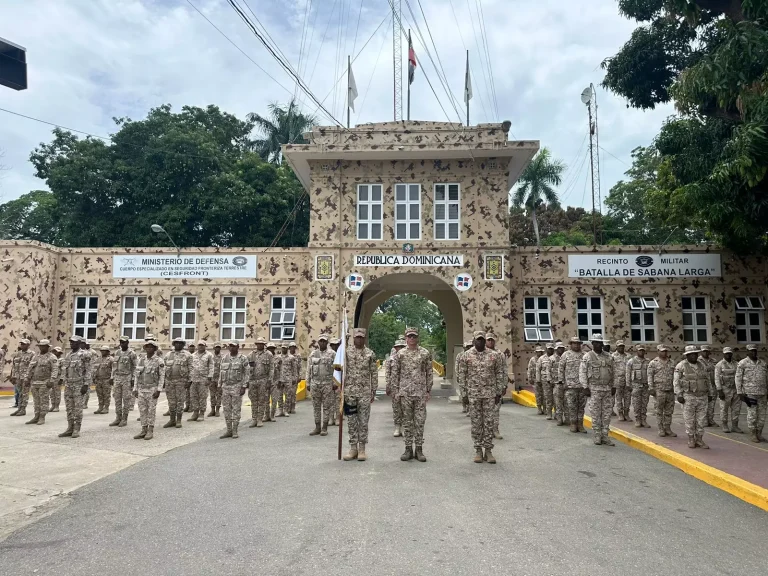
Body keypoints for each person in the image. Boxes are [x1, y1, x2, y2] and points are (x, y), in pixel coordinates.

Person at [457, 331, 505, 464]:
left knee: (489, 423)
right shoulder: (466, 356)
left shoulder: (494, 356)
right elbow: (462, 376)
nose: (480, 342)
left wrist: (498, 392)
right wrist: (464, 394)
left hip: (490, 394)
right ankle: (478, 449)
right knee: (476, 423)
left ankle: (488, 450)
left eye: (482, 340)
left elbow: (499, 373)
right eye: (478, 340)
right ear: (473, 341)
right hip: (473, 395)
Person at [392, 327, 433, 462]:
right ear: (406, 338)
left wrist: (428, 390)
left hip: (420, 393)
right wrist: (396, 391)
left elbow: (429, 372)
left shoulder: (425, 353)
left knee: (420, 421)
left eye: (414, 336)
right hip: (405, 393)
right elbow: (395, 373)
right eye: (409, 336)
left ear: (418, 338)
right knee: (408, 422)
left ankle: (419, 449)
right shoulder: (400, 354)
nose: (412, 339)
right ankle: (408, 448)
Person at [341, 328, 377, 462]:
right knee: (351, 421)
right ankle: (352, 448)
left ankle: (362, 449)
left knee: (363, 421)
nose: (359, 339)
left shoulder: (370, 354)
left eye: (362, 337)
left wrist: (373, 390)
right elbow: (340, 368)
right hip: (350, 392)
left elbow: (373, 373)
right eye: (357, 337)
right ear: (353, 338)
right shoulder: (346, 352)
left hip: (364, 393)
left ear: (364, 338)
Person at [580, 334, 615, 446]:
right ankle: (597, 435)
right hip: (594, 389)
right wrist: (585, 387)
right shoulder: (587, 357)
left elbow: (615, 372)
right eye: (596, 342)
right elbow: (582, 372)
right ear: (592, 344)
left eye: (600, 343)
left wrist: (614, 386)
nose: (598, 344)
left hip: (607, 389)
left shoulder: (609, 356)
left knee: (607, 414)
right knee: (595, 414)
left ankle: (605, 436)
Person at [673, 345, 712, 449]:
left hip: (702, 396)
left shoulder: (702, 365)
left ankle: (699, 439)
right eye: (691, 354)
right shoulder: (681, 366)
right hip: (688, 396)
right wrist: (679, 395)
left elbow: (707, 380)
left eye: (695, 354)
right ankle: (691, 439)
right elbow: (676, 382)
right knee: (689, 420)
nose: (694, 356)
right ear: (687, 355)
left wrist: (711, 393)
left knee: (701, 420)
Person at [58, 336, 92, 439]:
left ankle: (76, 429)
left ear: (79, 343)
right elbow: (65, 369)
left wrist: (86, 384)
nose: (71, 344)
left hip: (79, 385)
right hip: (69, 385)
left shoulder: (85, 354)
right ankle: (70, 428)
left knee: (78, 408)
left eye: (73, 342)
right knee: (69, 408)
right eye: (70, 342)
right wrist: (62, 379)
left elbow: (88, 370)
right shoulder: (68, 355)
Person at [735, 344, 768, 443]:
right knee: (752, 415)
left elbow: (766, 378)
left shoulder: (762, 363)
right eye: (751, 351)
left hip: (762, 393)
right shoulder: (742, 363)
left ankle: (759, 433)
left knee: (762, 415)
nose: (753, 352)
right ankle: (753, 434)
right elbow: (738, 378)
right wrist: (740, 392)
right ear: (747, 352)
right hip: (750, 393)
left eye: (755, 351)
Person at [133, 338, 164, 440]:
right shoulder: (141, 360)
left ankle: (150, 430)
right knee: (142, 410)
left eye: (151, 347)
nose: (149, 349)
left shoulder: (159, 361)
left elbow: (162, 376)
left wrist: (159, 390)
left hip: (152, 389)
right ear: (145, 348)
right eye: (147, 347)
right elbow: (137, 375)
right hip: (142, 388)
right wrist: (135, 388)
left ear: (155, 349)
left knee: (151, 410)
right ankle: (143, 429)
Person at [23, 339, 58, 426]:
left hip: (45, 382)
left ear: (47, 347)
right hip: (35, 382)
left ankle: (42, 416)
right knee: (36, 400)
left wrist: (52, 380)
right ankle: (36, 416)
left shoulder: (52, 357)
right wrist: (27, 378)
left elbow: (55, 369)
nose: (41, 347)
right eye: (40, 346)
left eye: (43, 346)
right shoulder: (36, 356)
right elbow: (30, 368)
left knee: (44, 400)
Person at [218, 341, 249, 439]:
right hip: (226, 387)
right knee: (226, 409)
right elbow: (221, 373)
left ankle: (235, 430)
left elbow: (247, 373)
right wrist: (219, 386)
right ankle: (229, 430)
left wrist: (244, 386)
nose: (231, 348)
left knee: (236, 409)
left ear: (238, 347)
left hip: (237, 386)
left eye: (234, 346)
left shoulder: (243, 358)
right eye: (230, 346)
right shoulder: (224, 358)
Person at [306, 335, 336, 436]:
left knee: (326, 406)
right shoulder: (313, 354)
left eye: (324, 341)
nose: (322, 343)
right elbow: (308, 369)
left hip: (327, 383)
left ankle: (324, 427)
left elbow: (337, 369)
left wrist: (335, 383)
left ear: (327, 343)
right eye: (320, 341)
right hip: (315, 383)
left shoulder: (332, 354)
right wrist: (308, 382)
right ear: (318, 343)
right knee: (316, 406)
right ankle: (317, 427)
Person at [163, 337, 192, 429]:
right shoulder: (168, 354)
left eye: (180, 343)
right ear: (174, 344)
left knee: (180, 401)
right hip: (169, 381)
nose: (178, 345)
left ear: (183, 345)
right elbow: (163, 368)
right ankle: (172, 420)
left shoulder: (187, 355)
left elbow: (191, 369)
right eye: (176, 343)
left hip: (181, 381)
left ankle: (178, 420)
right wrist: (163, 381)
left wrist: (189, 381)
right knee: (171, 401)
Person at [648, 345, 676, 437]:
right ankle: (660, 429)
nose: (664, 353)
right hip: (659, 390)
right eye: (662, 351)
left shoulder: (672, 362)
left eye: (666, 351)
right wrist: (651, 388)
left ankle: (667, 428)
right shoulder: (653, 363)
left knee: (669, 411)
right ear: (658, 352)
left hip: (670, 390)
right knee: (659, 411)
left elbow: (675, 376)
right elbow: (650, 376)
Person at [560, 337, 586, 433]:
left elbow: (589, 370)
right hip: (570, 386)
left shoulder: (585, 355)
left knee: (581, 407)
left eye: (578, 343)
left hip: (582, 386)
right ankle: (573, 424)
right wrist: (562, 382)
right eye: (574, 343)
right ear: (571, 344)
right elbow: (561, 369)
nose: (576, 345)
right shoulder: (566, 355)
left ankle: (580, 424)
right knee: (572, 406)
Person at [486, 333, 508, 439]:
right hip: (485, 386)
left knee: (496, 409)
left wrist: (504, 385)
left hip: (497, 386)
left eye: (492, 340)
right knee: (485, 410)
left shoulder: (500, 354)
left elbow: (504, 370)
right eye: (488, 340)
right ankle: (487, 431)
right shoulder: (482, 353)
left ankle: (495, 429)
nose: (490, 342)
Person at [110, 336, 137, 428]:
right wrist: (112, 377)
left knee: (126, 399)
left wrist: (133, 379)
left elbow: (135, 367)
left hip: (127, 377)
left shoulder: (132, 353)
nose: (122, 344)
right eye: (121, 342)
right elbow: (114, 366)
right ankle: (118, 417)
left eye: (124, 342)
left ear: (127, 342)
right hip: (117, 377)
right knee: (117, 398)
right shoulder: (117, 352)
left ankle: (124, 418)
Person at [247, 337, 273, 428]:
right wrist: (247, 381)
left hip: (263, 379)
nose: (260, 345)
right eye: (258, 343)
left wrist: (270, 380)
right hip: (253, 380)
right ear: (256, 344)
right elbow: (246, 368)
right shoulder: (251, 355)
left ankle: (260, 419)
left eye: (261, 343)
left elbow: (271, 368)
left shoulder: (268, 354)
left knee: (262, 400)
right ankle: (254, 419)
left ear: (264, 345)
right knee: (253, 400)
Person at [715, 347, 741, 433]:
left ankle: (735, 425)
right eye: (726, 353)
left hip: (735, 389)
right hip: (725, 389)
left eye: (730, 353)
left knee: (736, 408)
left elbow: (740, 376)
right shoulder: (719, 365)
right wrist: (719, 390)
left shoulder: (736, 364)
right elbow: (717, 378)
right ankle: (724, 424)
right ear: (723, 354)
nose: (728, 355)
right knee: (724, 408)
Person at [189, 340, 214, 422]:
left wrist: (209, 377)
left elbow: (211, 366)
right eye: (199, 345)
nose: (200, 347)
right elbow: (190, 367)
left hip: (203, 379)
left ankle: (201, 413)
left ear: (205, 346)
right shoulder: (192, 355)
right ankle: (195, 413)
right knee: (193, 396)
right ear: (197, 346)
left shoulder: (209, 355)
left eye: (202, 345)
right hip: (194, 379)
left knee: (203, 397)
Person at [10, 338, 35, 416]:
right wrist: (13, 376)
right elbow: (14, 366)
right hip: (18, 377)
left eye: (24, 344)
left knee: (24, 393)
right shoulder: (18, 353)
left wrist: (29, 378)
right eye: (21, 344)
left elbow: (32, 367)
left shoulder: (32, 354)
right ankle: (19, 409)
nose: (22, 345)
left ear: (28, 345)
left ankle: (23, 409)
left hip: (26, 377)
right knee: (19, 393)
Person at [627, 345, 651, 428]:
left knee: (644, 403)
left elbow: (651, 374)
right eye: (640, 350)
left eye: (643, 350)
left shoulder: (648, 361)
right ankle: (638, 420)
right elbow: (628, 373)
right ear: (636, 351)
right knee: (636, 404)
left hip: (645, 385)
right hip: (636, 385)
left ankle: (643, 420)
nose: (641, 352)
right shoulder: (631, 361)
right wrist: (628, 384)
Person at [386, 338, 406, 436]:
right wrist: (388, 385)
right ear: (396, 348)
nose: (401, 349)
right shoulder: (391, 359)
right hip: (395, 387)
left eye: (403, 346)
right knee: (396, 408)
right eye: (399, 347)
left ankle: (406, 428)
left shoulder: (408, 358)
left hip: (406, 387)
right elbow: (388, 373)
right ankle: (397, 427)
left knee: (406, 408)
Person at [699, 345, 718, 427]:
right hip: (703, 385)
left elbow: (717, 372)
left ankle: (711, 420)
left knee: (712, 404)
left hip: (713, 385)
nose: (705, 352)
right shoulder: (698, 360)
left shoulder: (713, 361)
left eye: (707, 351)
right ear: (701, 352)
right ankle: (704, 421)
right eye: (704, 351)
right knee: (703, 404)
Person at [92, 345, 114, 415]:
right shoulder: (98, 359)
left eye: (104, 350)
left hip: (107, 379)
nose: (102, 352)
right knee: (99, 394)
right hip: (99, 379)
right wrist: (94, 377)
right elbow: (95, 369)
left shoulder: (111, 359)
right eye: (101, 351)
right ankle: (100, 407)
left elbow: (114, 369)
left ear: (108, 351)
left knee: (106, 394)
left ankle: (106, 407)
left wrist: (112, 378)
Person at [612, 340, 630, 421]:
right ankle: (620, 414)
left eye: (622, 346)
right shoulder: (612, 356)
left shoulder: (628, 356)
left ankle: (626, 414)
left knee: (628, 398)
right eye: (619, 346)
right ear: (616, 347)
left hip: (627, 379)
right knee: (619, 398)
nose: (621, 347)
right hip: (618, 379)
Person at [276, 343, 295, 418]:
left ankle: (286, 410)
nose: (284, 349)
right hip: (280, 379)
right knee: (279, 395)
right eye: (283, 348)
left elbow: (294, 368)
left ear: (287, 349)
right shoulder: (278, 357)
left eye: (285, 348)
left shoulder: (291, 358)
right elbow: (275, 368)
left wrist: (294, 378)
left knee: (288, 395)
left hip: (288, 379)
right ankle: (280, 410)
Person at [536, 343, 555, 418]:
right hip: (545, 380)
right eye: (549, 348)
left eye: (551, 348)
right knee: (548, 396)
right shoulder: (541, 358)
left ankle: (556, 412)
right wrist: (538, 380)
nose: (550, 350)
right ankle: (549, 412)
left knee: (556, 397)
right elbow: (538, 369)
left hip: (555, 380)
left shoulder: (555, 357)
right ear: (546, 349)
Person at [266, 342, 282, 421]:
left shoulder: (278, 358)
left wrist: (280, 380)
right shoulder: (265, 357)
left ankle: (272, 415)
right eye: (269, 348)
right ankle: (267, 416)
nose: (270, 349)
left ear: (274, 349)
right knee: (265, 400)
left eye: (272, 348)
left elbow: (281, 370)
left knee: (274, 399)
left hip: (275, 381)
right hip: (266, 381)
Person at [456, 341, 472, 415]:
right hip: (462, 377)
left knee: (470, 393)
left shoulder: (472, 354)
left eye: (470, 346)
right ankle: (464, 406)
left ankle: (469, 409)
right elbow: (457, 366)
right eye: (467, 346)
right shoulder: (460, 355)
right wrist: (458, 375)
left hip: (471, 377)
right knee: (463, 394)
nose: (469, 348)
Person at [328, 337, 341, 426]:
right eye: (333, 345)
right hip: (328, 380)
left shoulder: (340, 356)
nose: (334, 347)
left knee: (338, 400)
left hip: (338, 381)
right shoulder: (328, 355)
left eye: (336, 345)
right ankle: (330, 418)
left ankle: (338, 418)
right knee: (329, 400)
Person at [208, 342, 223, 417]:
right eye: (216, 347)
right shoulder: (210, 356)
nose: (217, 348)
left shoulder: (223, 357)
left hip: (220, 378)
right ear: (214, 348)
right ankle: (212, 410)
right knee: (212, 395)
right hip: (212, 378)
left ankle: (217, 410)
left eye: (219, 347)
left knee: (219, 394)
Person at [83, 341, 100, 410]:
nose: (86, 345)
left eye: (87, 344)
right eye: (85, 344)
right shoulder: (83, 352)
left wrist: (94, 372)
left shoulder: (93, 352)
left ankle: (85, 403)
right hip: (83, 372)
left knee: (87, 387)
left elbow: (96, 362)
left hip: (90, 371)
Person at [286, 343, 301, 414]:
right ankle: (287, 407)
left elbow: (300, 367)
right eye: (291, 347)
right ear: (289, 348)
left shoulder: (298, 356)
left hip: (295, 376)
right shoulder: (287, 356)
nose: (292, 348)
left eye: (294, 347)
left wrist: (299, 376)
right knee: (288, 392)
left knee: (293, 393)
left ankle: (293, 407)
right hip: (287, 376)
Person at [50, 346, 63, 412]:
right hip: (52, 378)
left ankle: (57, 406)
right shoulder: (52, 359)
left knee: (57, 392)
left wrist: (61, 379)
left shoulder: (62, 360)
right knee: (52, 393)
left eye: (56, 352)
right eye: (54, 351)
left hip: (58, 378)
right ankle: (53, 405)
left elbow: (63, 370)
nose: (55, 353)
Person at [184, 343, 196, 412]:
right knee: (187, 393)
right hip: (187, 376)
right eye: (190, 347)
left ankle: (192, 406)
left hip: (194, 376)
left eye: (193, 347)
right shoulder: (186, 355)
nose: (191, 348)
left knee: (192, 393)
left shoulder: (196, 355)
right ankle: (187, 405)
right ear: (188, 348)